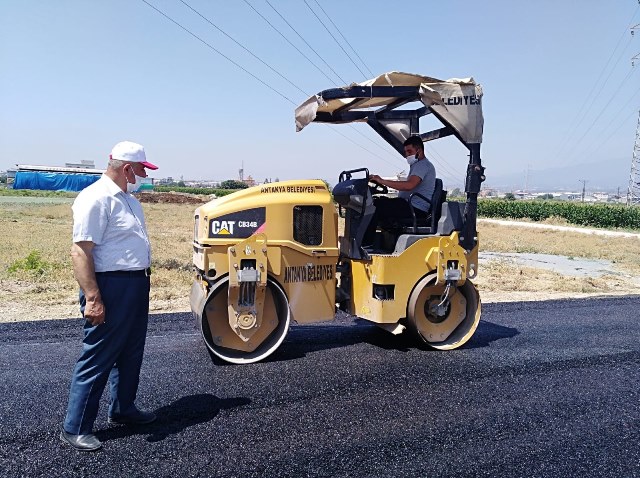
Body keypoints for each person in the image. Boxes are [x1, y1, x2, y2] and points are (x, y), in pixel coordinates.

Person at [60, 141, 159, 452]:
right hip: (110, 287)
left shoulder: (129, 200)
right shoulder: (96, 199)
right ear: (127, 168)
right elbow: (80, 251)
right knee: (99, 356)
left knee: (130, 352)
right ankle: (75, 427)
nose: (144, 174)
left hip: (135, 285)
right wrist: (93, 297)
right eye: (142, 169)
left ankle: (123, 408)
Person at [364, 135, 437, 245]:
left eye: (409, 151)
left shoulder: (423, 165)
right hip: (408, 205)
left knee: (375, 206)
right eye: (405, 152)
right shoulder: (417, 165)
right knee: (378, 202)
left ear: (419, 150)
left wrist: (382, 181)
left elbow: (409, 185)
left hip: (416, 209)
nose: (406, 155)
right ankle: (379, 242)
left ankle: (366, 244)